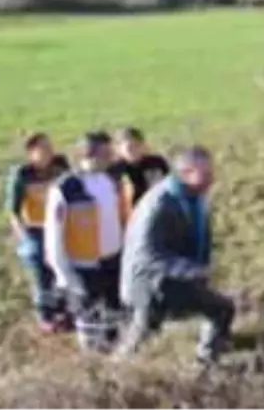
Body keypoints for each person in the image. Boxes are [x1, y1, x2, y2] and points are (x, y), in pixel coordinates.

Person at [114, 145, 235, 365]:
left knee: (222, 309)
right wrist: (193, 270)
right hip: (150, 284)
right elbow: (148, 254)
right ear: (186, 173)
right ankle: (115, 373)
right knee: (142, 333)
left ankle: (206, 363)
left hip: (175, 280)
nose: (212, 178)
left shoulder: (193, 197)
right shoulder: (158, 204)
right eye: (205, 173)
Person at [45, 131, 125, 352]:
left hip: (113, 259)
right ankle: (92, 359)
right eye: (106, 153)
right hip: (83, 265)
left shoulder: (111, 181)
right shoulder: (64, 189)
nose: (112, 157)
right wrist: (64, 274)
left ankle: (115, 352)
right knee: (89, 317)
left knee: (113, 314)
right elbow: (53, 236)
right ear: (89, 154)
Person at [6, 132, 72, 332]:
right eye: (43, 149)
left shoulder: (61, 166)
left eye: (50, 147)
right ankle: (46, 314)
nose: (49, 152)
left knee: (61, 268)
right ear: (31, 153)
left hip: (60, 225)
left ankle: (63, 309)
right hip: (36, 228)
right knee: (40, 270)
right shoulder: (22, 174)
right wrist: (24, 237)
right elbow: (13, 211)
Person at [112, 127, 170, 225]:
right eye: (130, 148)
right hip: (130, 219)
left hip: (156, 213)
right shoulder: (116, 170)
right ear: (119, 149)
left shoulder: (156, 163)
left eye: (137, 145)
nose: (135, 150)